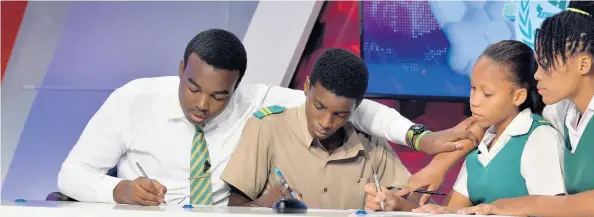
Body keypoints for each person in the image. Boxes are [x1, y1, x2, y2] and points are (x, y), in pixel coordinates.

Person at [57, 29, 478, 206]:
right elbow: (70, 174)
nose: (203, 104)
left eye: (219, 94)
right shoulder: (133, 99)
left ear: (237, 86)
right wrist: (119, 190)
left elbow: (347, 103)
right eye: (193, 87)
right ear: (180, 68)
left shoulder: (256, 102)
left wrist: (420, 137)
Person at [455, 1, 594, 216]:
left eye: (546, 65)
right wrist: (439, 166)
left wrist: (519, 205)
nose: (537, 75)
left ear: (583, 65)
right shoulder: (562, 111)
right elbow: (498, 121)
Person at [365, 40, 566, 213]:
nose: (475, 101)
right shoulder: (482, 143)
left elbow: (552, 210)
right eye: (472, 88)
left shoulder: (540, 137)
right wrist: (397, 204)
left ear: (518, 96)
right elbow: (450, 212)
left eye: (487, 93)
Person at [221, 48, 423, 209]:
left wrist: (395, 204)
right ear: (307, 86)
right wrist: (264, 205)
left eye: (340, 114)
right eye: (319, 106)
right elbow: (234, 208)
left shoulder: (370, 142)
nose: (326, 123)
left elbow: (413, 201)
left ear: (358, 105)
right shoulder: (266, 128)